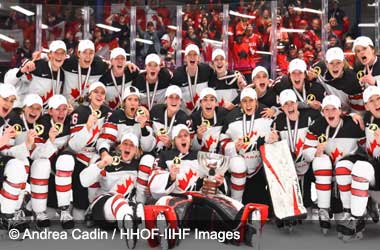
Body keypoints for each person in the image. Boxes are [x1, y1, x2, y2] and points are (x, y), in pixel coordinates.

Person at [149, 124, 269, 249]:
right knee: (166, 204)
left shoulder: (202, 155)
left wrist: (219, 181)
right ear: (174, 140)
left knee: (227, 208)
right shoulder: (164, 156)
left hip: (202, 199)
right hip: (179, 197)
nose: (183, 139)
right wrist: (171, 177)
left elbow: (215, 178)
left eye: (186, 136)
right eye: (179, 137)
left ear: (190, 139)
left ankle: (249, 231)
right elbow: (154, 184)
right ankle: (167, 233)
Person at [80, 132, 159, 249]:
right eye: (125, 144)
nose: (127, 147)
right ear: (120, 147)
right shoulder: (109, 162)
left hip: (124, 212)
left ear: (137, 150)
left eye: (131, 145)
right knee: (118, 199)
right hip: (102, 210)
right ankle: (130, 227)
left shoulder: (138, 166)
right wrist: (102, 164)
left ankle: (159, 234)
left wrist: (150, 188)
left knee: (138, 208)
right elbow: (84, 181)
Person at [303, 95, 366, 235]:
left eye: (333, 109)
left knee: (343, 167)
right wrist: (316, 151)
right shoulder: (317, 125)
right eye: (326, 110)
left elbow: (366, 147)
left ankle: (349, 212)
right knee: (321, 161)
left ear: (340, 111)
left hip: (346, 171)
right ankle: (323, 210)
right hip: (328, 174)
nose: (330, 113)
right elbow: (306, 152)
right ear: (323, 111)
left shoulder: (353, 124)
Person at [97, 86, 156, 204]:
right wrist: (104, 155)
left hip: (136, 158)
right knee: (96, 163)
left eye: (135, 100)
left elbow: (148, 147)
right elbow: (105, 140)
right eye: (129, 99)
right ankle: (96, 203)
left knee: (149, 160)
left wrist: (143, 126)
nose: (133, 103)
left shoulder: (143, 117)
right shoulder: (116, 116)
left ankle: (140, 202)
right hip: (118, 155)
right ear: (124, 103)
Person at [270, 89, 322, 222]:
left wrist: (352, 116)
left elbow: (330, 116)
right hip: (292, 163)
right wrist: (273, 140)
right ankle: (290, 208)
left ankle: (325, 207)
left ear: (297, 104)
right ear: (281, 107)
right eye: (285, 104)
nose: (289, 106)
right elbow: (273, 143)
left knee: (320, 167)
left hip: (310, 160)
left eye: (292, 103)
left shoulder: (311, 116)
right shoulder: (279, 121)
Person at [29, 94, 75, 229]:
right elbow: (37, 155)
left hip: (59, 168)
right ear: (49, 111)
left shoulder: (70, 121)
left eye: (64, 109)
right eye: (58, 109)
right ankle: (39, 212)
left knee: (66, 160)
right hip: (41, 167)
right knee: (42, 164)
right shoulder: (41, 123)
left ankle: (65, 210)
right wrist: (51, 140)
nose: (62, 113)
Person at [220, 87, 273, 203]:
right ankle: (236, 204)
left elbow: (278, 129)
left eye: (251, 100)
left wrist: (275, 137)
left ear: (256, 102)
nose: (248, 104)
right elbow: (222, 142)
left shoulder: (266, 114)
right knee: (238, 164)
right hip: (240, 165)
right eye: (245, 101)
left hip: (260, 167)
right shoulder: (230, 117)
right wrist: (233, 146)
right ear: (240, 103)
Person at [68, 82, 112, 218]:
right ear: (89, 95)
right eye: (96, 92)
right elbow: (73, 145)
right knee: (80, 183)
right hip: (81, 154)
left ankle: (97, 210)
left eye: (102, 92)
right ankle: (79, 209)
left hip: (99, 153)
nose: (99, 95)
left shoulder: (108, 113)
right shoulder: (80, 111)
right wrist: (87, 127)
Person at [0, 84, 29, 236]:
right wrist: (3, 139)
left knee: (19, 164)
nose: (8, 104)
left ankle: (8, 215)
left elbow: (7, 152)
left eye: (12, 101)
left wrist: (27, 145)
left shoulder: (5, 122)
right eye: (5, 99)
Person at [4, 40, 67, 107]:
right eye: (56, 53)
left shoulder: (62, 74)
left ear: (65, 56)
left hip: (41, 112)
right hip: (24, 109)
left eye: (62, 53)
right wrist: (21, 71)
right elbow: (8, 82)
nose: (59, 56)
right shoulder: (36, 65)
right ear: (49, 54)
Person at [311, 47, 364, 115]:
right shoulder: (319, 69)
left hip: (346, 116)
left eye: (338, 62)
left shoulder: (353, 80)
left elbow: (358, 112)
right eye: (331, 63)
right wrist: (309, 78)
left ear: (343, 63)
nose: (335, 66)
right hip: (326, 112)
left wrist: (346, 117)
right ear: (326, 64)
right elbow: (306, 75)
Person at [171, 44, 213, 114]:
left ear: (199, 58)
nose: (192, 57)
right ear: (185, 58)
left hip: (203, 114)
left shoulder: (206, 70)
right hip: (184, 114)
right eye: (189, 55)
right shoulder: (178, 74)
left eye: (195, 55)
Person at [150, 85, 191, 154]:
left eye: (177, 98)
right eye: (171, 97)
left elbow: (186, 147)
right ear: (166, 100)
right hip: (152, 151)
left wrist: (171, 145)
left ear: (181, 101)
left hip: (172, 155)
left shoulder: (184, 119)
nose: (174, 100)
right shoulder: (155, 111)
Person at [191, 87, 228, 152]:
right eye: (205, 100)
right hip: (200, 156)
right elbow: (192, 148)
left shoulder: (224, 114)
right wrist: (198, 137)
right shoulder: (194, 118)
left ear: (216, 103)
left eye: (212, 100)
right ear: (200, 103)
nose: (208, 103)